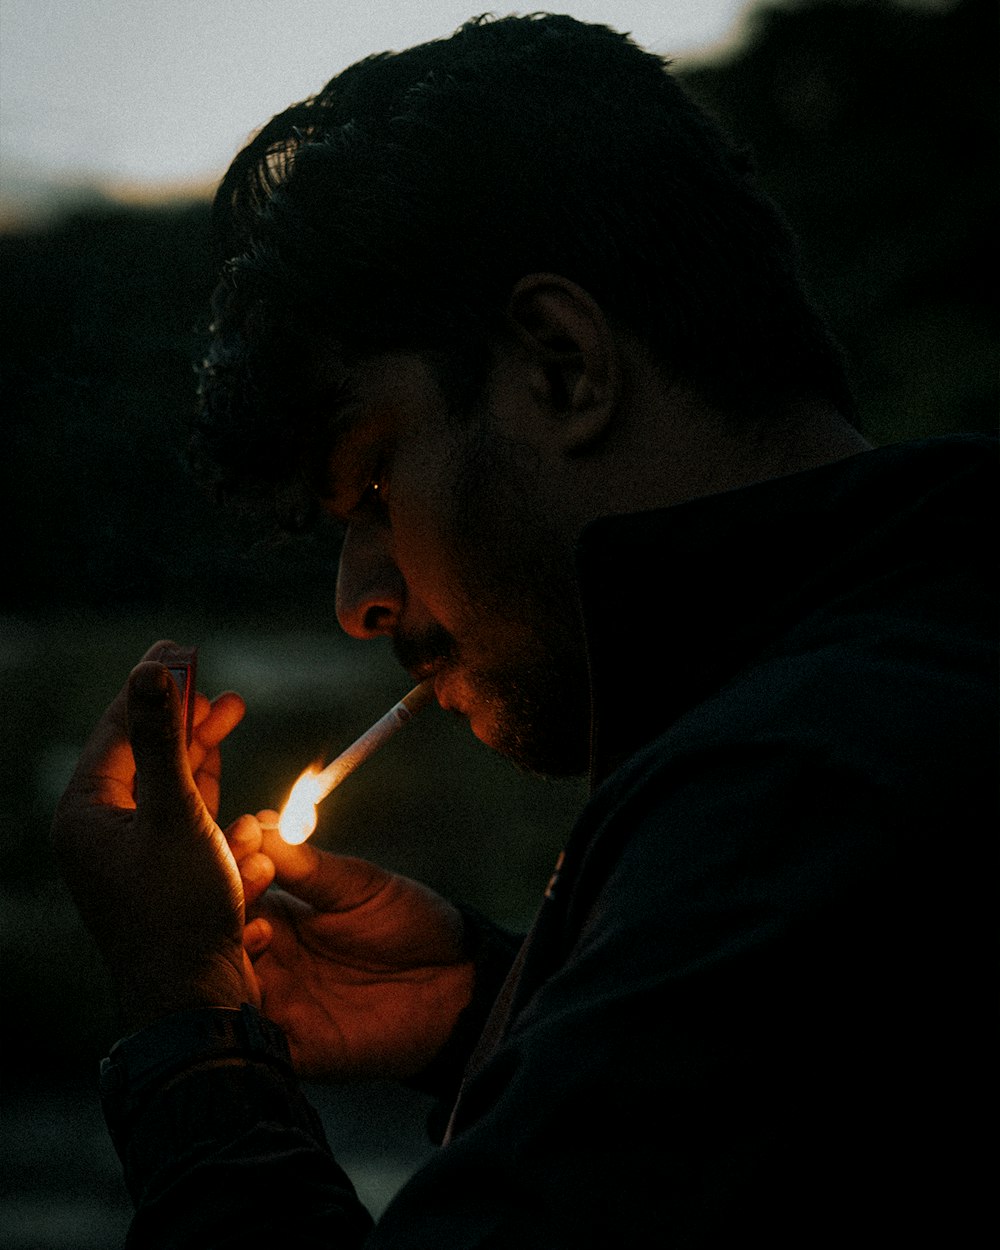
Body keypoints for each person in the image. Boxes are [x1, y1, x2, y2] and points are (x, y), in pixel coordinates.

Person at [52, 13, 996, 1248]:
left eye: (378, 482)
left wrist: (190, 1040)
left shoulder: (806, 785)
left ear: (560, 362)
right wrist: (498, 1006)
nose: (358, 602)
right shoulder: (909, 655)